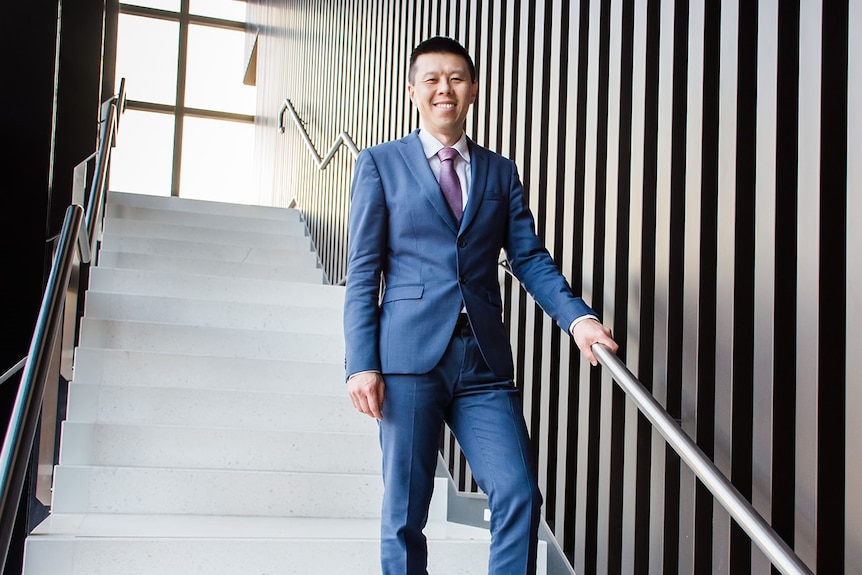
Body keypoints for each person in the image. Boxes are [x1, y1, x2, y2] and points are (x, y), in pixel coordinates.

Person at [343, 36, 618, 575]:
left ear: (472, 90)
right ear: (415, 90)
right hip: (407, 359)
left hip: (482, 362)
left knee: (517, 492)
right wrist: (361, 363)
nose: (444, 88)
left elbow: (529, 258)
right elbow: (361, 272)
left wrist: (578, 319)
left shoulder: (499, 171)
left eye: (457, 78)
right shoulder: (380, 164)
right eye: (432, 79)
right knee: (404, 511)